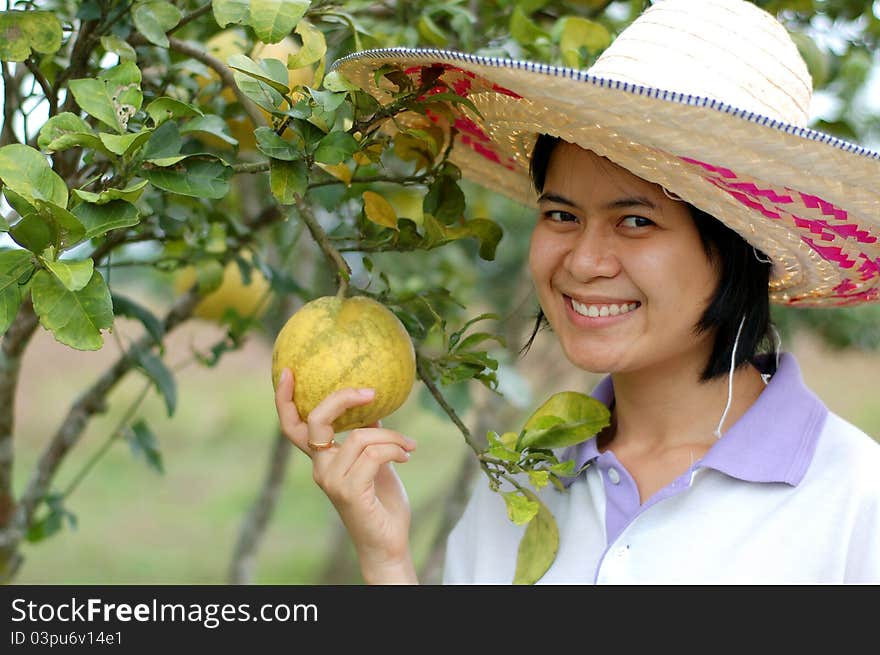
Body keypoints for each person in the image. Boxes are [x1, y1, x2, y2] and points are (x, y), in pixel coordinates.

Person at [274, 0, 880, 583]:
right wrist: (386, 559)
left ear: (743, 250)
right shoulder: (521, 490)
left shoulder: (854, 502)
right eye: (561, 215)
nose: (583, 262)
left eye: (636, 221)